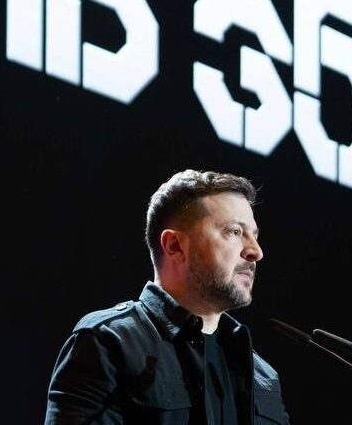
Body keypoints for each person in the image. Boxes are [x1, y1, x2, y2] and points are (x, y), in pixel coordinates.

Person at [44, 169, 290, 424]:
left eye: (255, 236)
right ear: (175, 246)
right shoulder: (108, 343)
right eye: (234, 232)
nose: (256, 251)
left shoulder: (261, 374)